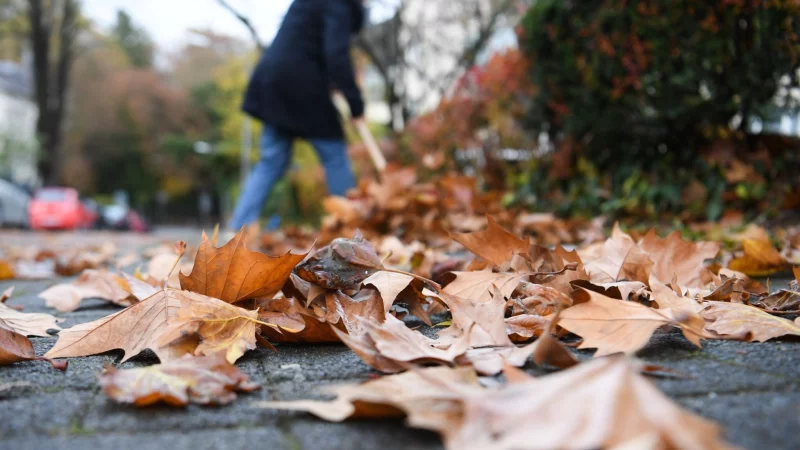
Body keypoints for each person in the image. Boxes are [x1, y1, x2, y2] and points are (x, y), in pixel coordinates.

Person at [229, 0, 367, 231]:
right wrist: (356, 104)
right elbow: (336, 55)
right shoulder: (340, 5)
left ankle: (237, 229)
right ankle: (352, 228)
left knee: (270, 162)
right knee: (334, 156)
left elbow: (306, 44)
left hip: (274, 82)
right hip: (304, 87)